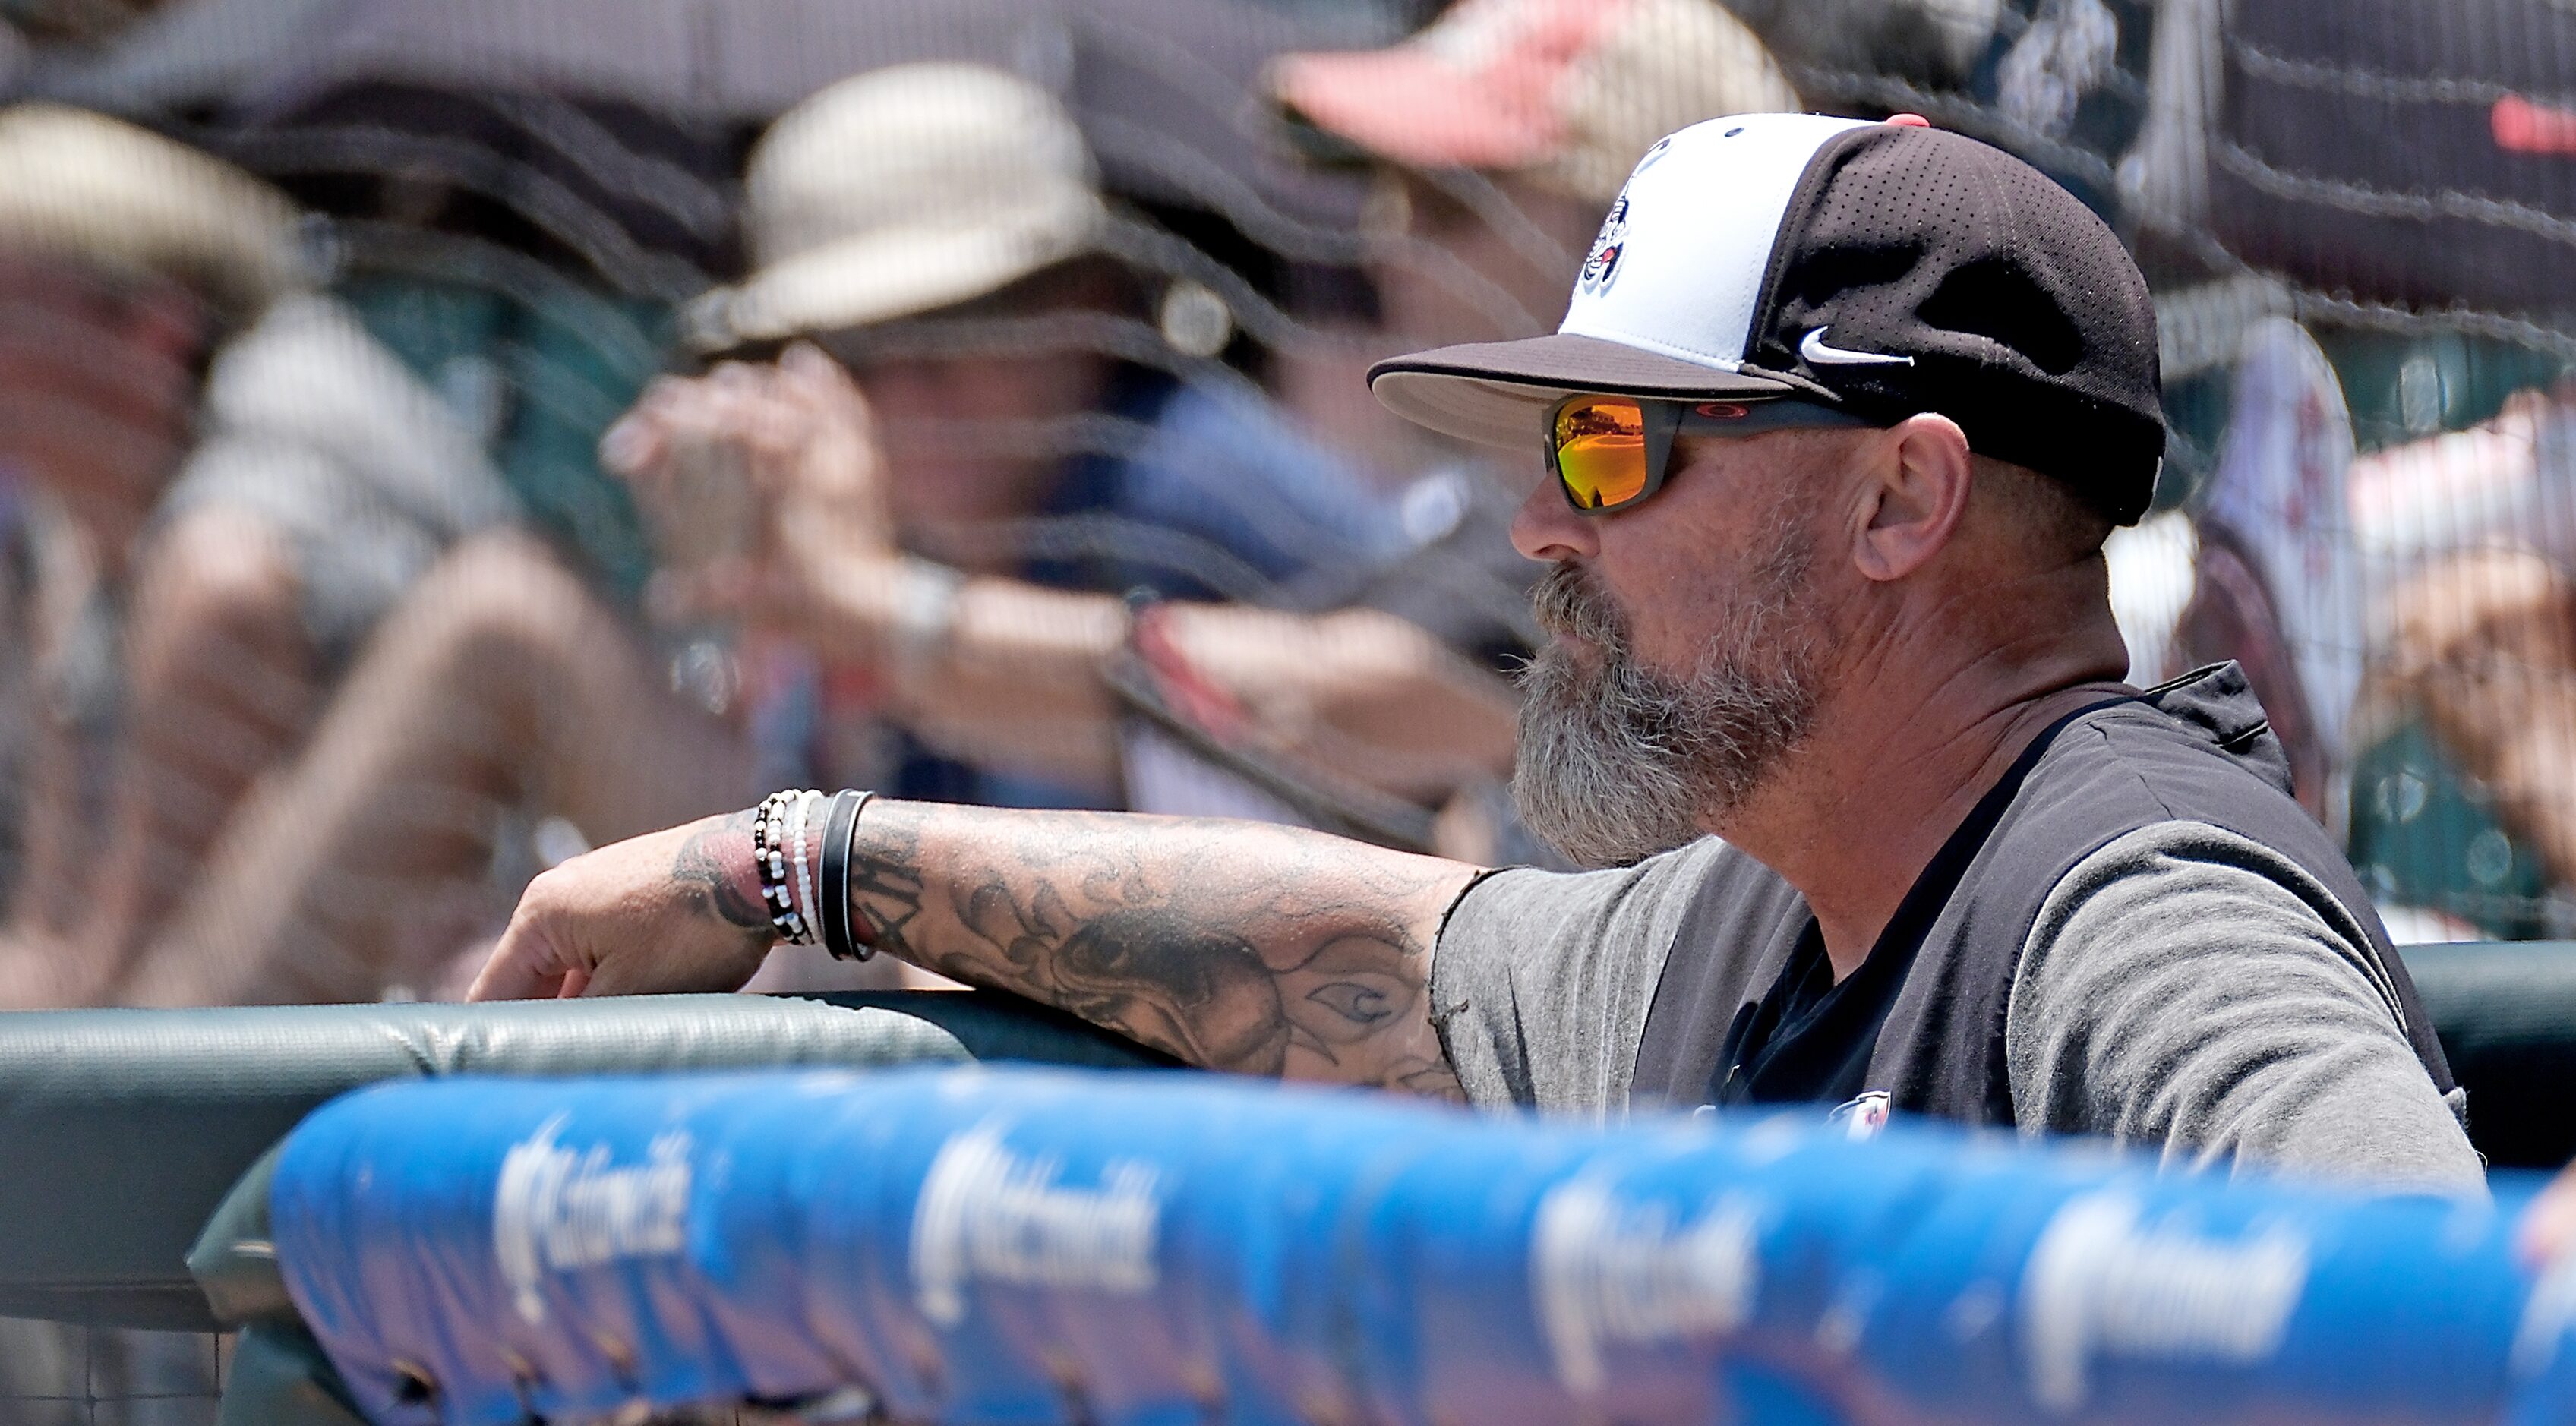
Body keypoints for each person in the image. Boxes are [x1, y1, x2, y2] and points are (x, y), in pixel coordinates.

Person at [472, 112, 2480, 1190]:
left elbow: (2432, 1310)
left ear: (1898, 502)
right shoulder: (1762, 913)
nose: (1542, 522)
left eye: (1613, 446)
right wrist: (785, 852)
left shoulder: (2130, 904)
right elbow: (1358, 946)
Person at [109, 64, 1518, 1006]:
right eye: (860, 346)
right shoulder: (943, 497)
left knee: (507, 621)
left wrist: (856, 606)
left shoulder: (1179, 483)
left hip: (1167, 1047)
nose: (916, 395)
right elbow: (845, 820)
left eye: (963, 325)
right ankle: (143, 1093)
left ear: (1088, 295)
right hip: (953, 1001)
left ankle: (131, 1117)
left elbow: (1093, 888)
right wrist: (778, 609)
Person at [0, 104, 513, 1005]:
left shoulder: (231, 555)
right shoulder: (78, 531)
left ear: (149, 327)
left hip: (393, 1046)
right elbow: (53, 940)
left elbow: (126, 998)